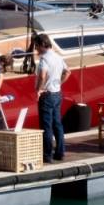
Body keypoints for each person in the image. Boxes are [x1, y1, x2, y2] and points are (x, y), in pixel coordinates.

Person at [35, 33, 70, 163]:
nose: (36, 49)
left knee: (46, 126)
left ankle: (47, 155)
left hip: (47, 95)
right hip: (57, 93)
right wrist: (59, 83)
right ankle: (60, 152)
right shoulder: (58, 57)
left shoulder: (44, 59)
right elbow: (68, 72)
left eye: (37, 46)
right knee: (57, 124)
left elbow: (42, 75)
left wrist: (39, 89)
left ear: (42, 45)